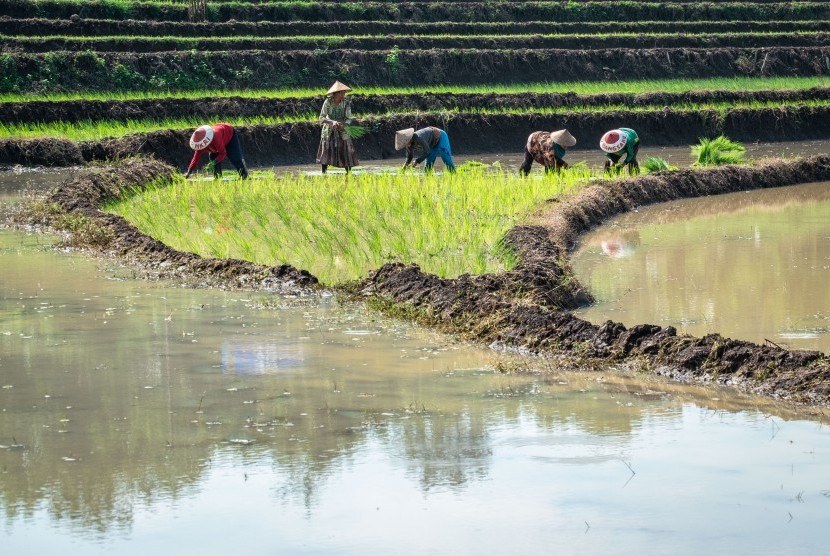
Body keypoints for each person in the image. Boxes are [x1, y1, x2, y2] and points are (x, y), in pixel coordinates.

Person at [317, 81, 359, 174]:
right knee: (327, 150)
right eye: (342, 92)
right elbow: (321, 118)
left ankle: (348, 173)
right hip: (329, 129)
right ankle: (324, 172)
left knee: (346, 149)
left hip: (342, 128)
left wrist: (343, 125)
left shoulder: (346, 103)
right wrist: (333, 122)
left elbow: (349, 118)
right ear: (336, 93)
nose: (343, 94)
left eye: (344, 92)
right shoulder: (328, 101)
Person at [184, 122, 249, 180]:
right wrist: (189, 172)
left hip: (229, 133)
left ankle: (244, 176)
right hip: (217, 140)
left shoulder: (215, 137)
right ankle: (218, 178)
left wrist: (213, 163)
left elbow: (223, 153)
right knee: (213, 158)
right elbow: (195, 159)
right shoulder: (200, 146)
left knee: (235, 157)